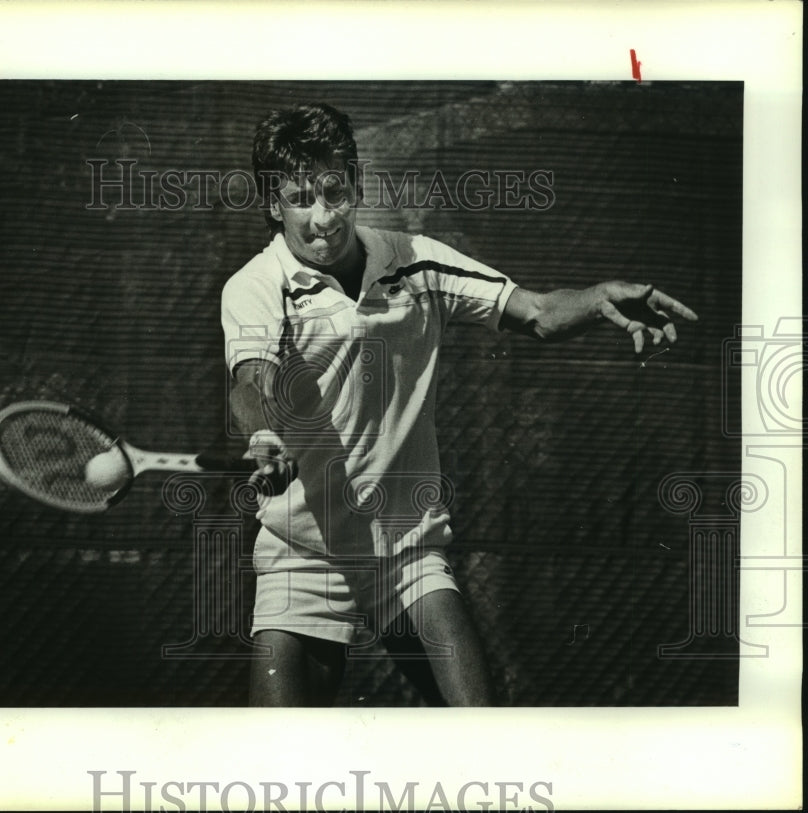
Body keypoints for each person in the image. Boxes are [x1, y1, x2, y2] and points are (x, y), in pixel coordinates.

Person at [220, 102, 698, 707]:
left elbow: (539, 313)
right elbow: (252, 378)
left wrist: (598, 297)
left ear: (357, 183)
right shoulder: (256, 286)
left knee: (481, 733)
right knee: (278, 771)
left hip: (406, 553)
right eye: (299, 199)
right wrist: (264, 434)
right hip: (302, 556)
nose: (322, 219)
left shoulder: (415, 259)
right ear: (272, 204)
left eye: (334, 192)